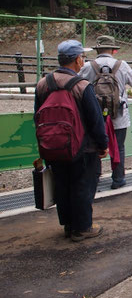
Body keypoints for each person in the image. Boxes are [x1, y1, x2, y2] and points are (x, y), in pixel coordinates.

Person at [34, 40, 108, 241]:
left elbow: (37, 116)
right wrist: (103, 145)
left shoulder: (43, 84)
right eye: (82, 57)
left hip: (52, 146)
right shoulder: (82, 86)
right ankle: (83, 227)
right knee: (83, 185)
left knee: (62, 185)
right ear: (77, 60)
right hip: (83, 148)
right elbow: (95, 120)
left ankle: (68, 224)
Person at [79, 35, 132, 189]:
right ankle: (118, 179)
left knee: (94, 145)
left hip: (95, 114)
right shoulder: (122, 65)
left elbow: (77, 83)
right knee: (118, 146)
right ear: (113, 50)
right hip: (118, 113)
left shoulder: (88, 66)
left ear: (97, 50)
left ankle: (96, 175)